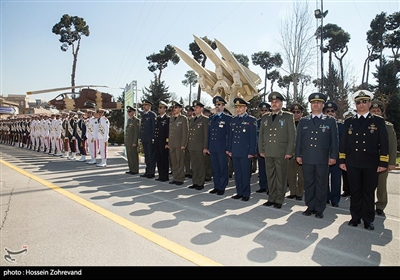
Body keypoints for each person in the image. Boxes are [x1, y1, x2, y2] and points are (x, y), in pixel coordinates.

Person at [339, 90, 389, 230]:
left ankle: (368, 219)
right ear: (355, 104)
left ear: (370, 103)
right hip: (353, 162)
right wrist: (342, 160)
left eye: (364, 102)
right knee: (355, 191)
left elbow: (384, 143)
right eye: (358, 102)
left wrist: (383, 162)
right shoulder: (349, 121)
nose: (361, 105)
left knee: (368, 192)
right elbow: (343, 143)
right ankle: (355, 217)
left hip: (370, 163)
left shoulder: (378, 121)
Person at [296, 93, 338, 219]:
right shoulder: (304, 121)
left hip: (322, 157)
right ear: (310, 105)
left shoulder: (330, 121)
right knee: (308, 182)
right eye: (313, 103)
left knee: (321, 183)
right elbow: (299, 140)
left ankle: (319, 208)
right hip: (307, 157)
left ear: (322, 105)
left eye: (319, 103)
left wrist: (333, 156)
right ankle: (310, 206)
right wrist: (298, 154)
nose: (316, 105)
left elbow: (334, 141)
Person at [258, 92, 296, 209]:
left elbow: (292, 136)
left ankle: (279, 199)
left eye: (276, 102)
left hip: (281, 152)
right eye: (272, 102)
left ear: (281, 103)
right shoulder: (265, 117)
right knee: (270, 176)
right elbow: (261, 135)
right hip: (268, 151)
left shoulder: (288, 116)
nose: (274, 104)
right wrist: (261, 150)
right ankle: (271, 198)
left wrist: (289, 151)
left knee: (281, 176)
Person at [369, 99, 397, 217]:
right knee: (368, 185)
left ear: (382, 112)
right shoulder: (365, 124)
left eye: (378, 111)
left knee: (381, 185)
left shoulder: (388, 127)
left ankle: (380, 205)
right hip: (368, 160)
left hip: (382, 160)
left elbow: (392, 145)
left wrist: (391, 162)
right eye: (373, 111)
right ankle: (368, 204)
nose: (376, 113)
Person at [228, 97, 257, 202]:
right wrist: (229, 149)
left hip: (245, 152)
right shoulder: (234, 120)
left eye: (240, 107)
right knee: (238, 174)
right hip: (235, 151)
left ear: (246, 108)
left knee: (245, 174)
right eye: (237, 107)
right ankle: (239, 192)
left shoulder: (251, 120)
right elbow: (231, 136)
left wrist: (251, 152)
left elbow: (253, 138)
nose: (238, 109)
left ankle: (246, 193)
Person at [207, 96, 232, 196]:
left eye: (219, 105)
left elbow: (229, 135)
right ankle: (216, 186)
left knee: (223, 168)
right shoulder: (212, 118)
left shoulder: (227, 118)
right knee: (215, 168)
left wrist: (228, 148)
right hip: (213, 148)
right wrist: (208, 147)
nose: (217, 106)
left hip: (222, 148)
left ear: (223, 106)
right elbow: (209, 134)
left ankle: (222, 187)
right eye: (216, 105)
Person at [323, 101, 343, 207]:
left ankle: (335, 199)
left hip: (337, 156)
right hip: (324, 156)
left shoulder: (341, 125)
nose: (330, 113)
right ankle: (326, 197)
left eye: (332, 111)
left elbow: (344, 142)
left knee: (336, 179)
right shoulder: (321, 125)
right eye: (327, 111)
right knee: (324, 178)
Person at [187, 100, 209, 190]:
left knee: (200, 165)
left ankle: (201, 183)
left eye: (197, 108)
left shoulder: (205, 119)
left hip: (200, 147)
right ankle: (195, 182)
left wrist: (205, 147)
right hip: (192, 146)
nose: (195, 109)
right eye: (194, 108)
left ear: (201, 109)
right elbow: (189, 133)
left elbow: (206, 135)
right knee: (194, 165)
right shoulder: (192, 119)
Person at [166, 101, 188, 186]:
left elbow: (185, 133)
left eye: (176, 108)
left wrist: (183, 144)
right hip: (172, 144)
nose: (174, 109)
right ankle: (175, 177)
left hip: (179, 144)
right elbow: (170, 133)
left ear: (180, 109)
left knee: (180, 162)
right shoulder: (171, 118)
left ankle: (180, 178)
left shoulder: (183, 118)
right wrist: (168, 143)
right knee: (174, 162)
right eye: (173, 108)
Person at [287, 103, 305, 200]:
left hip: (301, 153)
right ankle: (292, 192)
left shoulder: (305, 123)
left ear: (302, 113)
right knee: (291, 175)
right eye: (294, 112)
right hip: (290, 152)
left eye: (298, 112)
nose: (296, 114)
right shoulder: (288, 123)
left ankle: (299, 193)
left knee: (301, 176)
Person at [255, 102, 271, 194]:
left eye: (266, 110)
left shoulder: (272, 121)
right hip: (260, 149)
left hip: (269, 148)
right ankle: (263, 186)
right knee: (261, 169)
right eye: (262, 110)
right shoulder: (257, 122)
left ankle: (270, 187)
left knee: (270, 169)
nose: (264, 112)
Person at [139, 99, 157, 178]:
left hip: (150, 138)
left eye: (146, 105)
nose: (144, 107)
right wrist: (141, 137)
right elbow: (142, 127)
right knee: (146, 155)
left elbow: (154, 127)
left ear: (149, 106)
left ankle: (151, 172)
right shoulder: (144, 115)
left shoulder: (152, 115)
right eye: (143, 105)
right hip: (145, 138)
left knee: (151, 155)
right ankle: (147, 171)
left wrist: (153, 138)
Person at [154, 101, 170, 182]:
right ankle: (160, 175)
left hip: (163, 142)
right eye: (159, 107)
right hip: (157, 142)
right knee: (159, 159)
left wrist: (167, 143)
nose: (159, 109)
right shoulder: (157, 118)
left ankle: (165, 176)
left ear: (165, 109)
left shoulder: (167, 119)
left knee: (164, 159)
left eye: (161, 108)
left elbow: (168, 132)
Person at [340, 110, 355, 197]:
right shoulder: (344, 126)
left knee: (354, 176)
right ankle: (346, 190)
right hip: (346, 153)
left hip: (354, 154)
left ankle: (353, 191)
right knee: (345, 175)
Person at [125, 105, 140, 175]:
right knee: (129, 156)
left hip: (132, 142)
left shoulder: (136, 120)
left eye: (130, 111)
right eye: (128, 111)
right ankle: (131, 169)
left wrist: (135, 142)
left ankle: (135, 169)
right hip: (128, 141)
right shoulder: (129, 120)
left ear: (133, 112)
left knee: (134, 156)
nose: (128, 113)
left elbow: (136, 133)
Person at [202, 107, 213, 181]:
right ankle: (204, 175)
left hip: (208, 143)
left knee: (208, 161)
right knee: (203, 162)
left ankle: (208, 175)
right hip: (201, 143)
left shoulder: (209, 121)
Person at [184, 105, 194, 179]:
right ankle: (187, 171)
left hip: (192, 142)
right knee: (186, 158)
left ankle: (192, 172)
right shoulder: (185, 120)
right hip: (186, 142)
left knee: (192, 158)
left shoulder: (194, 120)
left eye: (190, 111)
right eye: (187, 111)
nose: (188, 112)